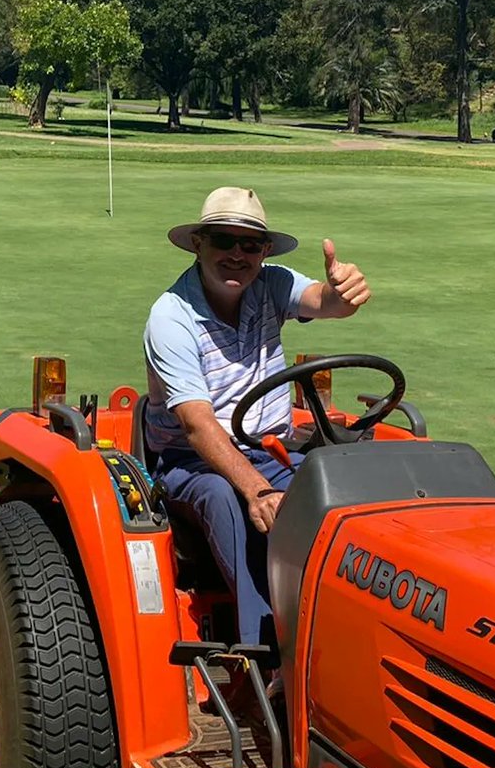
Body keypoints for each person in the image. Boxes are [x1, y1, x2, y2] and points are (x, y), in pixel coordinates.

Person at [143, 185, 370, 648]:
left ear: (264, 251)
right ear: (198, 243)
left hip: (270, 450)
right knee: (223, 499)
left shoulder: (271, 283)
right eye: (223, 240)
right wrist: (258, 491)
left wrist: (343, 293)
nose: (236, 254)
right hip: (191, 462)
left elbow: (327, 302)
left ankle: (349, 631)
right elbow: (196, 425)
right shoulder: (171, 317)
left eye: (249, 244)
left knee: (346, 490)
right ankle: (267, 649)